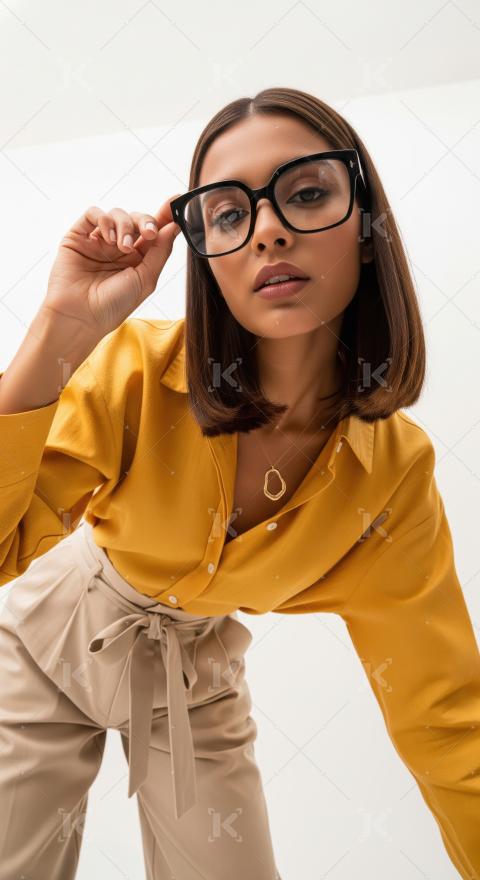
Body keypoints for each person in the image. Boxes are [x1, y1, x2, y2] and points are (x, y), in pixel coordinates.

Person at [0, 85, 478, 879]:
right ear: (206, 256)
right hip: (41, 651)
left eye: (308, 194)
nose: (270, 230)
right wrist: (63, 331)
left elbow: (446, 723)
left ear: (366, 228)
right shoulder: (136, 375)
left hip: (194, 689)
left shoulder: (392, 479)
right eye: (229, 214)